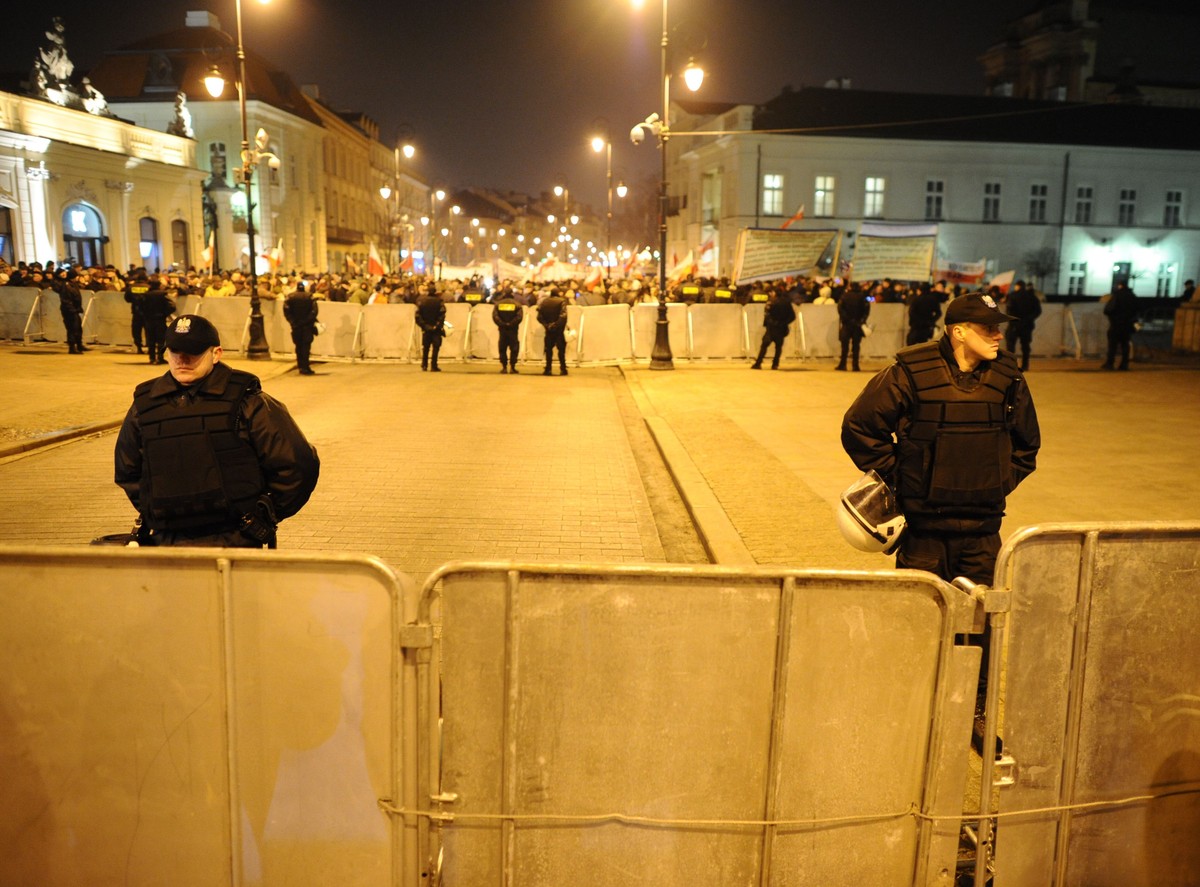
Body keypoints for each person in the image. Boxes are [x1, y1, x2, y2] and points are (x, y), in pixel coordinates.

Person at [841, 292, 1040, 739]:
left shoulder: (1008, 376)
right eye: (988, 327)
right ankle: (912, 711)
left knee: (981, 628)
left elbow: (1027, 447)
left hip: (983, 532)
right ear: (958, 331)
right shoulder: (909, 372)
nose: (998, 334)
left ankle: (975, 713)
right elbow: (859, 428)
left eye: (999, 327)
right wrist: (909, 479)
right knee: (920, 624)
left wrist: (993, 482)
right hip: (925, 534)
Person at [114, 314, 319, 548]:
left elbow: (297, 464)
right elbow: (127, 470)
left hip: (234, 540)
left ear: (216, 353)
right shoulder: (145, 404)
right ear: (165, 353)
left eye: (193, 352)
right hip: (165, 540)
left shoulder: (249, 401)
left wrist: (263, 514)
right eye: (175, 351)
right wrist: (158, 509)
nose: (182, 359)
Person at [750, 286, 796, 369]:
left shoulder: (771, 302)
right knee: (778, 347)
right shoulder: (787, 302)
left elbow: (767, 315)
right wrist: (784, 323)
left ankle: (758, 363)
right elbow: (792, 316)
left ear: (774, 293)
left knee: (764, 345)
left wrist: (770, 323)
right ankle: (775, 364)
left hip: (771, 328)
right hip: (782, 328)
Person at [1003, 280, 1042, 371]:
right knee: (1025, 346)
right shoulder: (1032, 297)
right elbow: (1038, 311)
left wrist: (1013, 320)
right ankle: (1025, 365)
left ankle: (1011, 365)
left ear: (1017, 286)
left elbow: (1009, 310)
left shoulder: (1013, 295)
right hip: (1027, 325)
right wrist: (1029, 319)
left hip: (1014, 325)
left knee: (1010, 345)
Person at [283, 279, 319, 375]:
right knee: (306, 347)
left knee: (298, 346)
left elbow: (286, 311)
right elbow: (314, 311)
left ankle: (300, 366)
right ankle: (306, 366)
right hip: (307, 326)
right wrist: (306, 321)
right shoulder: (310, 297)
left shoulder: (290, 297)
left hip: (296, 326)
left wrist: (293, 321)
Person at [1101, 283, 1139, 371]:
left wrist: (1114, 317)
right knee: (1125, 344)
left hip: (1116, 323)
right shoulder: (1132, 296)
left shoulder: (1117, 296)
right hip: (1128, 324)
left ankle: (1110, 363)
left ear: (1120, 286)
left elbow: (1108, 310)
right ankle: (1124, 364)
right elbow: (1138, 308)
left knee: (1112, 345)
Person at [141, 274, 176, 365]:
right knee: (161, 340)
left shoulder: (145, 295)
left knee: (150, 339)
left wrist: (145, 315)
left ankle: (152, 358)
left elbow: (140, 307)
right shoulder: (162, 294)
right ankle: (160, 358)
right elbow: (172, 306)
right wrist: (165, 313)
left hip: (148, 320)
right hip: (160, 319)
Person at [835, 283, 871, 371]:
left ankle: (843, 364)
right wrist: (861, 321)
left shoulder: (845, 296)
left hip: (847, 324)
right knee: (856, 346)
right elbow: (866, 310)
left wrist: (846, 319)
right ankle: (855, 365)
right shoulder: (863, 297)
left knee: (844, 346)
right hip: (858, 325)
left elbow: (840, 309)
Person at [537, 287, 569, 376]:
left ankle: (548, 368)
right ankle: (563, 368)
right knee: (561, 350)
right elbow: (563, 316)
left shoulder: (544, 302)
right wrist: (556, 324)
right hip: (558, 331)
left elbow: (539, 317)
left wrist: (547, 325)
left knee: (548, 350)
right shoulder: (562, 301)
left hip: (548, 330)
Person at [53, 268, 86, 354]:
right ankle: (72, 347)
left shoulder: (73, 284)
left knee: (78, 327)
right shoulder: (66, 285)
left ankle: (79, 345)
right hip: (69, 310)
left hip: (74, 309)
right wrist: (72, 308)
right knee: (72, 328)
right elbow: (66, 299)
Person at [492, 287, 524, 373]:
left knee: (502, 348)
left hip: (502, 329)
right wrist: (511, 324)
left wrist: (502, 324)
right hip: (513, 329)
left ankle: (504, 367)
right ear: (512, 294)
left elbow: (495, 316)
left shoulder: (498, 304)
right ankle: (513, 367)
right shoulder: (517, 304)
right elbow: (519, 317)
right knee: (514, 348)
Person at [415, 284, 446, 371]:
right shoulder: (439, 301)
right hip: (436, 329)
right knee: (435, 348)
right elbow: (442, 315)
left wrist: (425, 326)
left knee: (426, 347)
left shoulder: (422, 301)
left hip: (426, 329)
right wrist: (437, 326)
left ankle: (424, 365)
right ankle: (434, 365)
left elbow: (418, 316)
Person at [124, 269, 149, 354]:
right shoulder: (148, 287)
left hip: (136, 311)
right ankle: (150, 348)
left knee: (136, 330)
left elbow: (127, 298)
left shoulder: (132, 287)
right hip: (147, 312)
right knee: (148, 330)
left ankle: (139, 347)